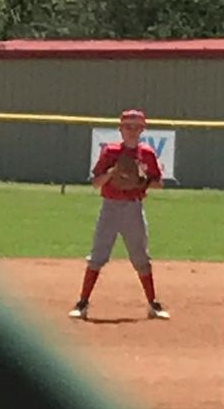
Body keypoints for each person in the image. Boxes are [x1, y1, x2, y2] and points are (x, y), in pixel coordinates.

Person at [72, 108, 170, 321]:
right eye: (128, 126)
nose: (132, 131)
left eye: (136, 127)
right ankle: (82, 303)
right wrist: (112, 172)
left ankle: (153, 304)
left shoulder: (147, 154)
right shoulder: (110, 152)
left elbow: (159, 184)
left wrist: (142, 180)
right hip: (110, 207)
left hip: (133, 208)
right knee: (98, 256)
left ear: (143, 129)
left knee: (141, 257)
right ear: (120, 129)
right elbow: (96, 183)